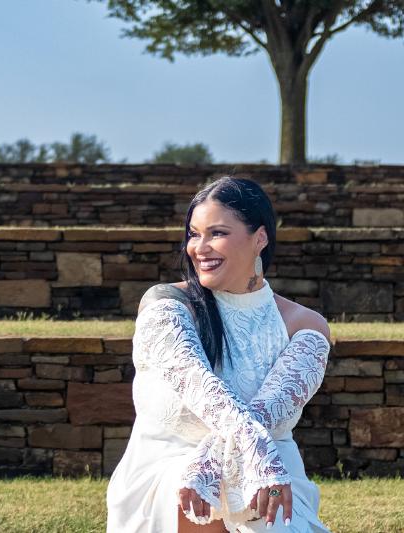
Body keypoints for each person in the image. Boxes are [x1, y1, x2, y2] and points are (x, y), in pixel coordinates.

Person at [106, 176, 332, 533]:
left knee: (252, 498)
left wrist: (216, 462)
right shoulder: (168, 304)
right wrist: (251, 456)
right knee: (197, 496)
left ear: (260, 238)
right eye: (194, 234)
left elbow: (267, 414)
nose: (200, 247)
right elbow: (201, 389)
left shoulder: (303, 325)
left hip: (267, 477)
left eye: (217, 233)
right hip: (166, 469)